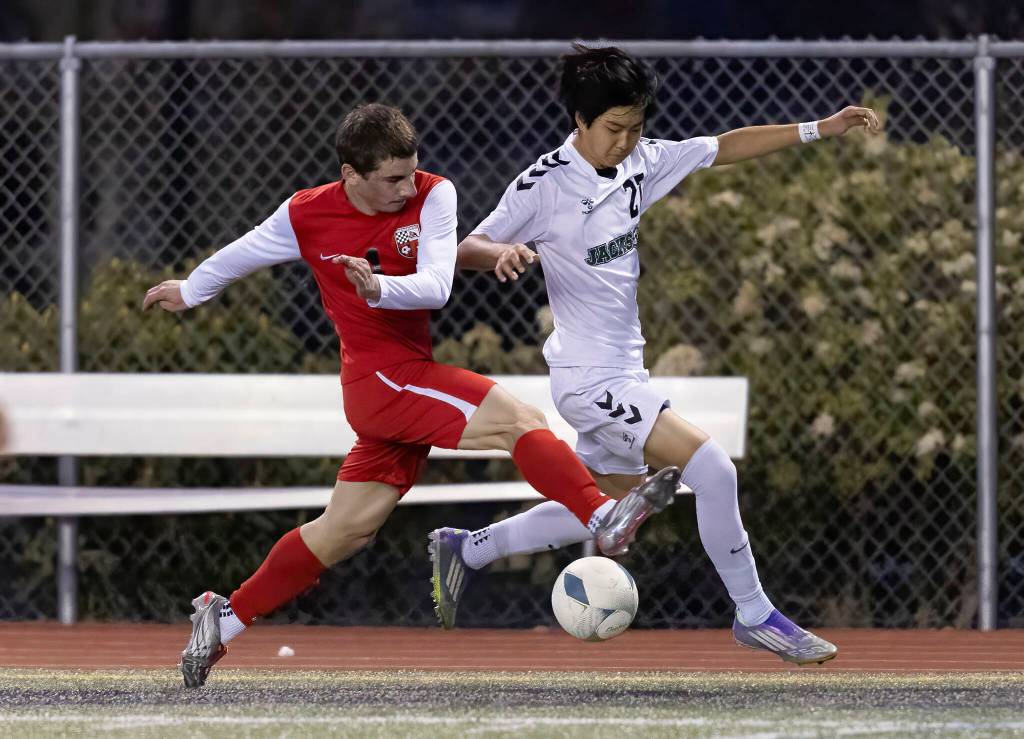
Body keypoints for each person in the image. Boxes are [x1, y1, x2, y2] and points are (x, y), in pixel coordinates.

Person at [142, 103, 679, 688]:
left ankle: (223, 621)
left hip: (403, 378)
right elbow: (243, 253)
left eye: (410, 172)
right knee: (516, 419)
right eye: (391, 179)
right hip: (381, 382)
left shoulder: (434, 195)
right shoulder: (307, 213)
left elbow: (435, 287)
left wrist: (377, 288)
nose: (406, 187)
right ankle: (604, 515)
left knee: (344, 531)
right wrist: (192, 290)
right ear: (350, 175)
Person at [429, 45, 881, 666]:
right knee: (714, 471)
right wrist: (498, 254)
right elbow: (465, 246)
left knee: (599, 501)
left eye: (636, 127)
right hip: (589, 380)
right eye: (613, 128)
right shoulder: (544, 184)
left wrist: (818, 129)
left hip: (624, 371)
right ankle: (754, 613)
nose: (626, 140)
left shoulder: (642, 160)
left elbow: (723, 146)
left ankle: (469, 548)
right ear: (580, 121)